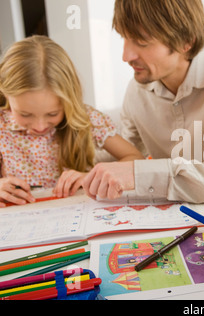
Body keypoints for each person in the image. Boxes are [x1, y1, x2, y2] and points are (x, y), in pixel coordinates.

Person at [82, 0, 204, 203]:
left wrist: (140, 174)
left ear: (186, 42)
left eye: (142, 42)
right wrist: (85, 171)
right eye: (123, 38)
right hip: (178, 218)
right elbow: (128, 152)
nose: (126, 56)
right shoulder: (137, 91)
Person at [0, 35, 144, 207]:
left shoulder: (86, 119)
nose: (39, 126)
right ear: (6, 94)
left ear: (68, 100)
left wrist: (91, 177)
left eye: (52, 114)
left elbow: (137, 159)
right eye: (25, 114)